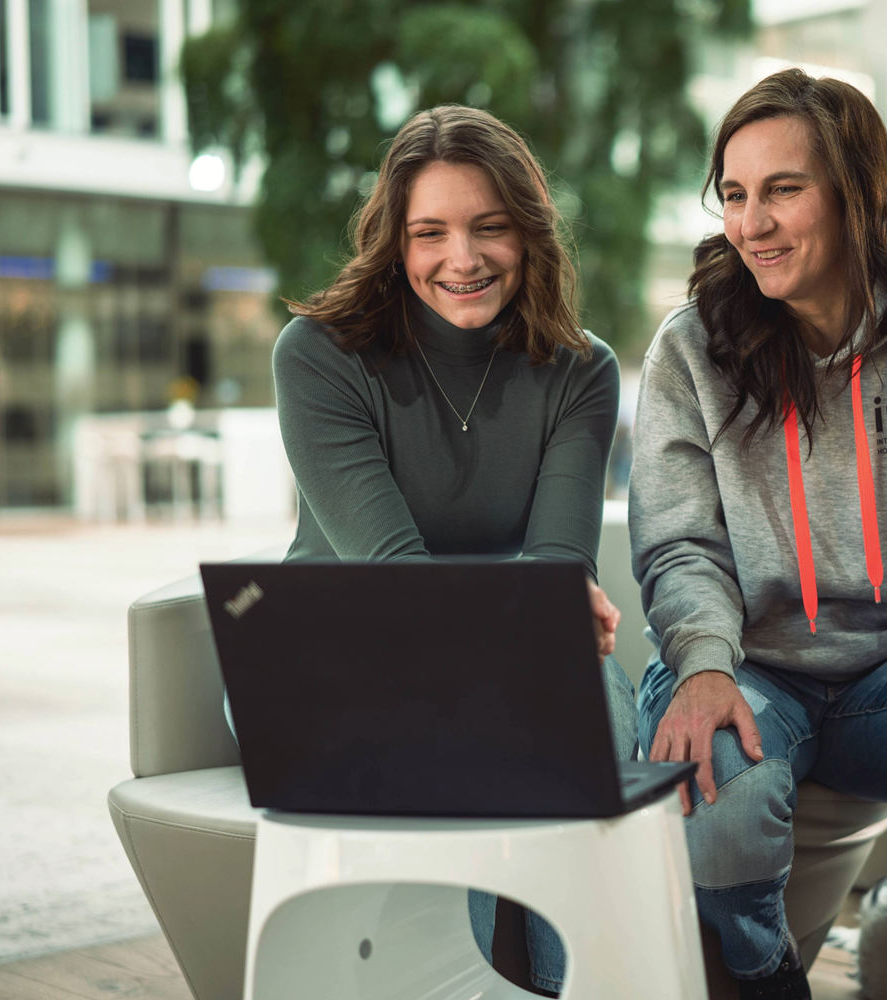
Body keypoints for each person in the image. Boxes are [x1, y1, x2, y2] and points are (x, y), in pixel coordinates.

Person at [629, 70, 887, 1000]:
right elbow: (679, 546)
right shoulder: (692, 349)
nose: (753, 224)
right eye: (736, 196)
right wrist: (702, 660)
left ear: (856, 194)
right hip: (746, 663)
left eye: (783, 189)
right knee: (720, 766)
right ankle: (762, 975)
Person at [270, 104, 631, 997]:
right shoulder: (318, 355)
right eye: (429, 232)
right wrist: (535, 621)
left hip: (502, 652)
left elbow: (556, 566)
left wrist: (556, 607)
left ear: (529, 234)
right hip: (334, 652)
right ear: (396, 243)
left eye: (489, 228)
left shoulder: (582, 372)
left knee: (598, 704)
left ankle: (568, 986)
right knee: (467, 723)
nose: (460, 259)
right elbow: (396, 584)